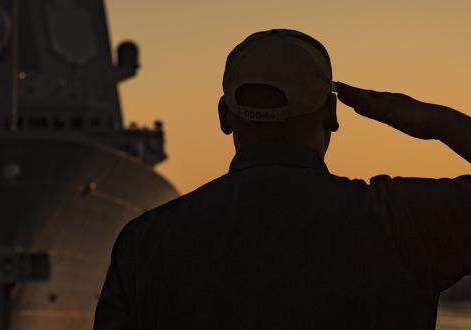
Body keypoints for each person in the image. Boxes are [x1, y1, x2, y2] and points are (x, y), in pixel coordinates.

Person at [93, 29, 471, 330]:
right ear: (331, 114)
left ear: (225, 116)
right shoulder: (402, 223)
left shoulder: (145, 244)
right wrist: (435, 121)